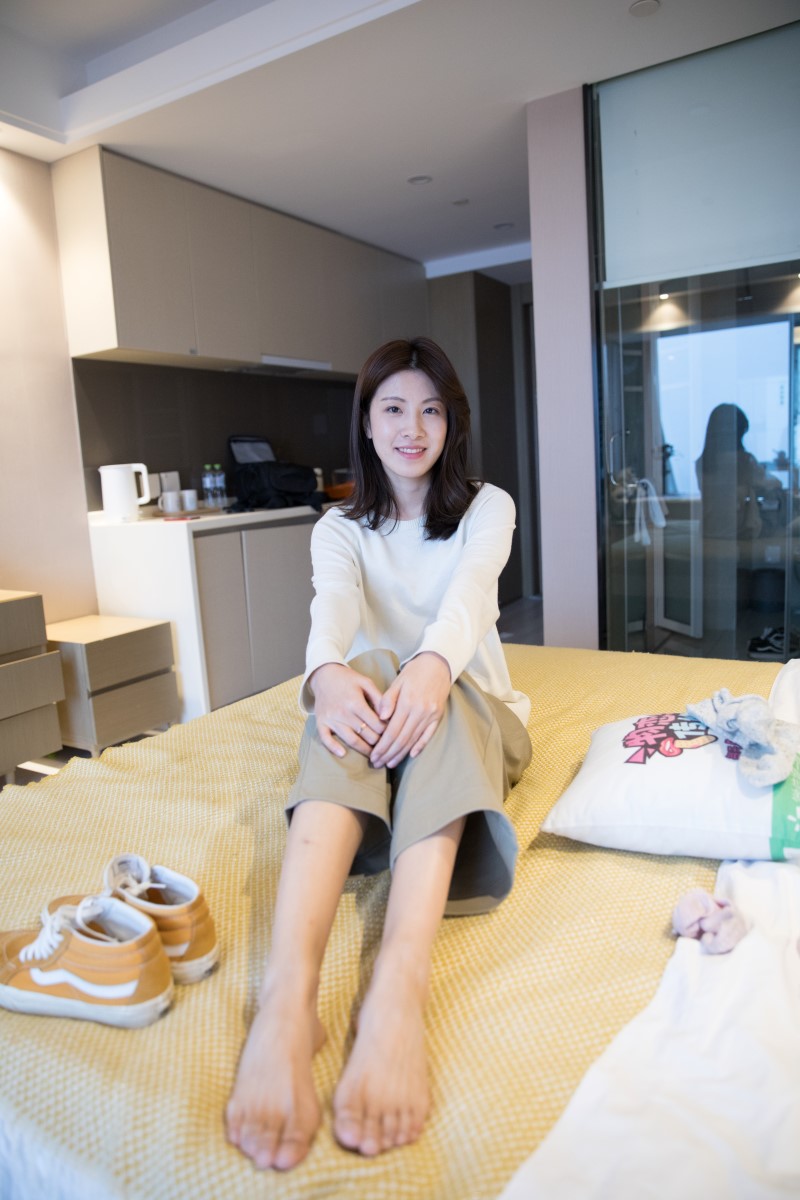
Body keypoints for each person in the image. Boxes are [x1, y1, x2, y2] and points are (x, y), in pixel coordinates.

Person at [225, 337, 532, 1171]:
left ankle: (398, 986)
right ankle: (288, 999)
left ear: (451, 424)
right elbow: (331, 610)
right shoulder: (338, 528)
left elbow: (469, 599)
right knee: (358, 672)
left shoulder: (488, 507)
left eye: (431, 410)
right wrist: (325, 676)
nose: (412, 428)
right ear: (367, 421)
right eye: (394, 408)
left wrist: (432, 668)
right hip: (379, 725)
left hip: (472, 717)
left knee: (441, 683)